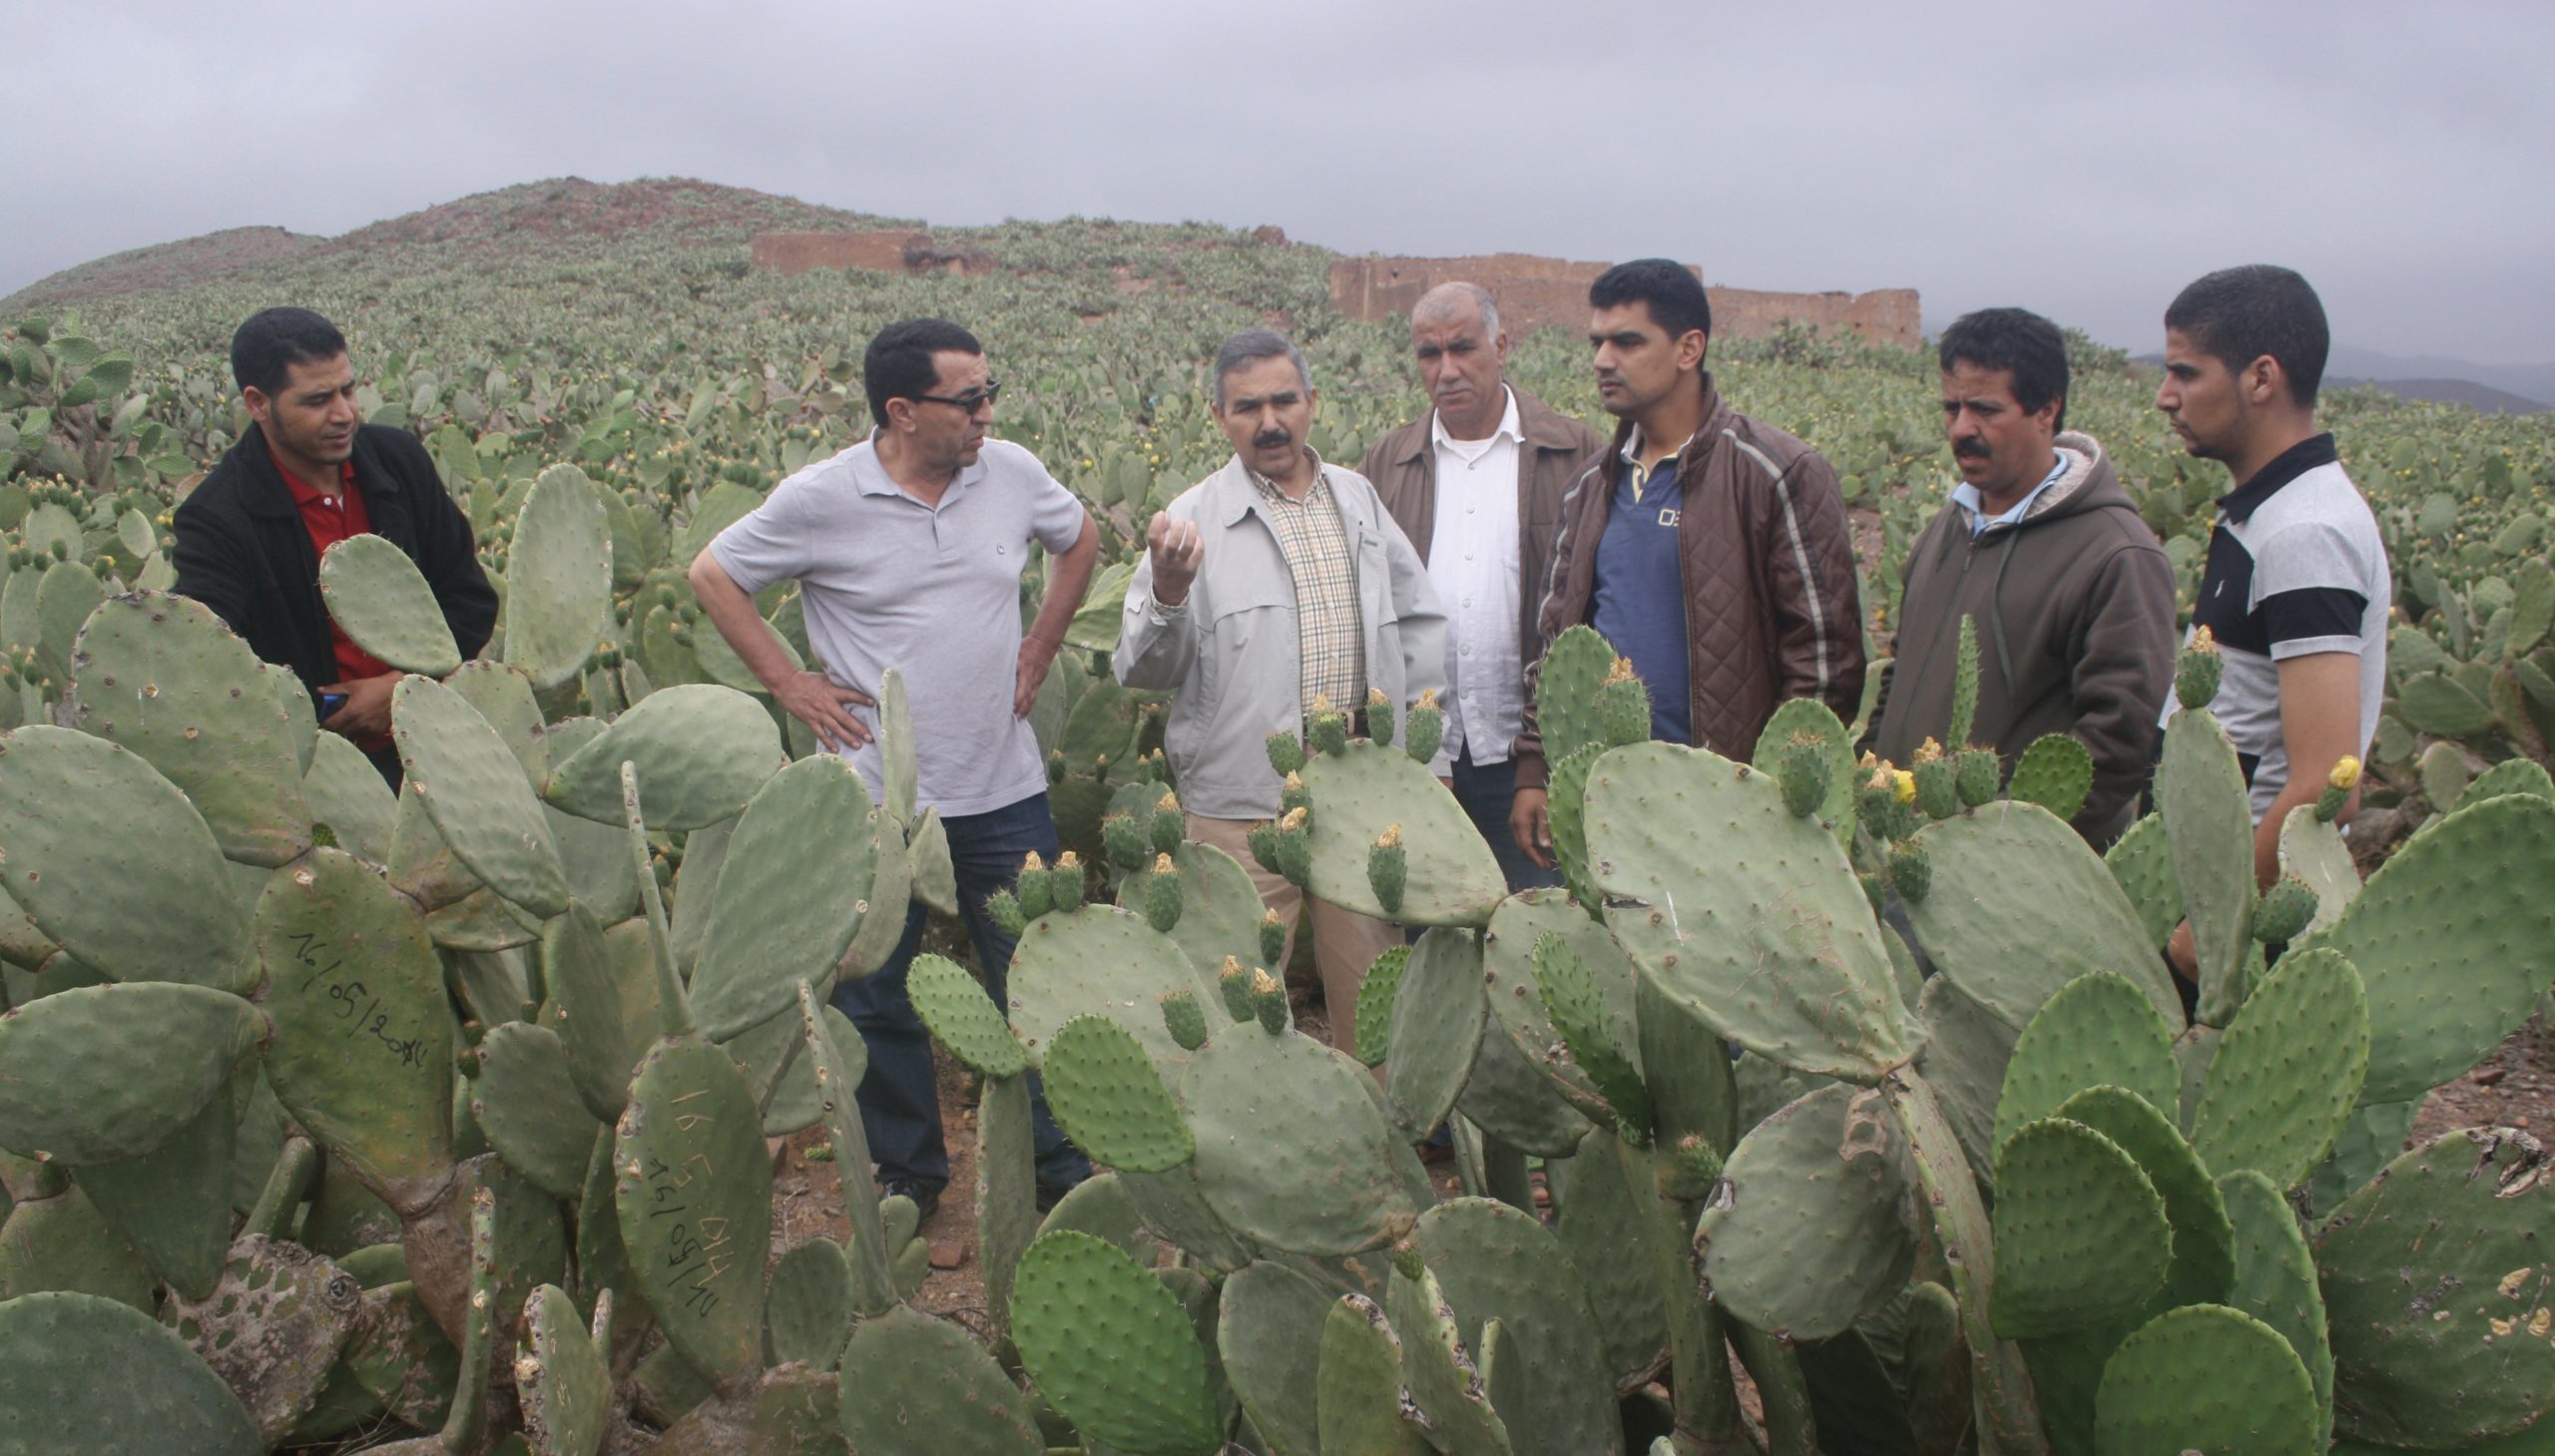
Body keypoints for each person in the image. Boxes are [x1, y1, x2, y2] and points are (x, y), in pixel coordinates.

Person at [690, 317, 1099, 1219]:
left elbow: (1081, 540)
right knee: (880, 995)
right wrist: (788, 682)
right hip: (880, 797)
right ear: (904, 411)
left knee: (1037, 979)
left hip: (1005, 787)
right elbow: (714, 574)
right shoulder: (820, 499)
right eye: (971, 399)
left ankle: (1060, 1166)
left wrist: (1043, 640)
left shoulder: (1013, 473)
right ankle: (911, 1174)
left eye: (992, 391)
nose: (989, 413)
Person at [1116, 329, 1446, 1050]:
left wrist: (1431, 754)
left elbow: (1418, 624)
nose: (1269, 422)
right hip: (1243, 802)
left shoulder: (1357, 499)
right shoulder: (1188, 519)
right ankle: (1247, 1146)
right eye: (1247, 407)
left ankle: (1376, 1143)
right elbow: (1141, 672)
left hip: (1359, 791)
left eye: (1283, 401)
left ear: (1312, 402)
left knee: (1376, 985)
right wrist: (1169, 594)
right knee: (1235, 995)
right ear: (1218, 416)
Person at [1509, 258, 1864, 868]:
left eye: (1627, 341)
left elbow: (1825, 662)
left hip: (1734, 810)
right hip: (1616, 803)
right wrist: (1536, 766)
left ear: (1689, 348)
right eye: (1597, 341)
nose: (1602, 359)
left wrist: (1777, 795)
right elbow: (1556, 646)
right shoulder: (1590, 489)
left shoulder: (1775, 472)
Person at [1863, 307, 2177, 847]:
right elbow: (1901, 671)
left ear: (2046, 410)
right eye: (1952, 407)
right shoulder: (1947, 526)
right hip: (1901, 848)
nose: (1962, 428)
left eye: (1985, 409)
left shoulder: (2115, 553)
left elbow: (2118, 744)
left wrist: (2010, 860)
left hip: (2003, 885)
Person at [2156, 266, 2387, 972]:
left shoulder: (2303, 534)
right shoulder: (2268, 514)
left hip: (2236, 926)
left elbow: (2325, 784)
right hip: (2206, 890)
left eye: (2186, 374)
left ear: (2261, 378)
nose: (2166, 397)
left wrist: (2210, 928)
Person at [172, 307, 496, 788]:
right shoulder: (218, 518)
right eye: (318, 400)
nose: (344, 413)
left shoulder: (399, 463)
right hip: (321, 772)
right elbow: (214, 669)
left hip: (439, 735)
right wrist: (330, 709)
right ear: (259, 404)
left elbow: (470, 598)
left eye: (347, 390)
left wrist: (400, 690)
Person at [1362, 282, 1603, 891]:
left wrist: (1544, 763)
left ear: (1502, 344)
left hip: (1527, 756)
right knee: (1428, 936)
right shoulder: (1385, 465)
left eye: (1463, 349)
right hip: (1422, 754)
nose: (1447, 371)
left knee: (1534, 938)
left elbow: (1595, 613)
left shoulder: (1576, 454)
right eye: (1429, 354)